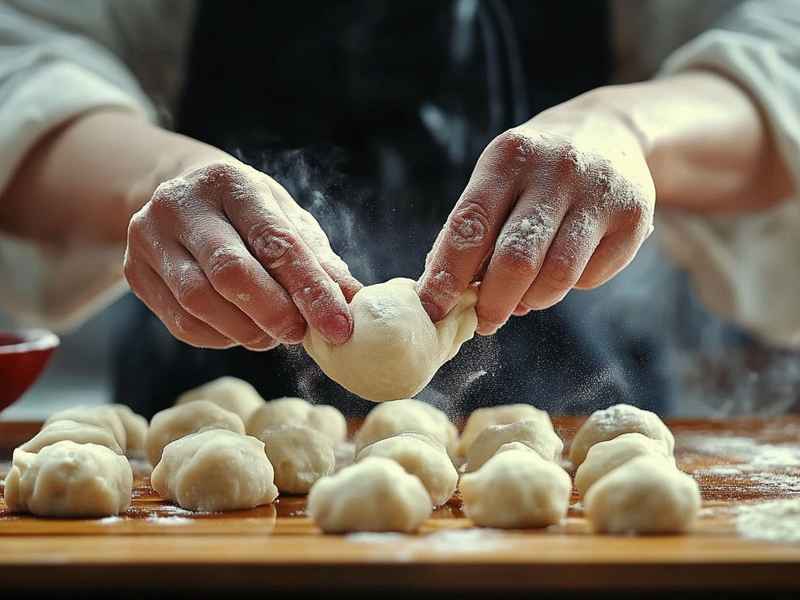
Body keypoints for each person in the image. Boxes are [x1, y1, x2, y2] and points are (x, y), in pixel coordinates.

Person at [0, 0, 798, 418]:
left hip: (582, 393)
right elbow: (23, 48)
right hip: (205, 375)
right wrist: (160, 179)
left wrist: (627, 132)